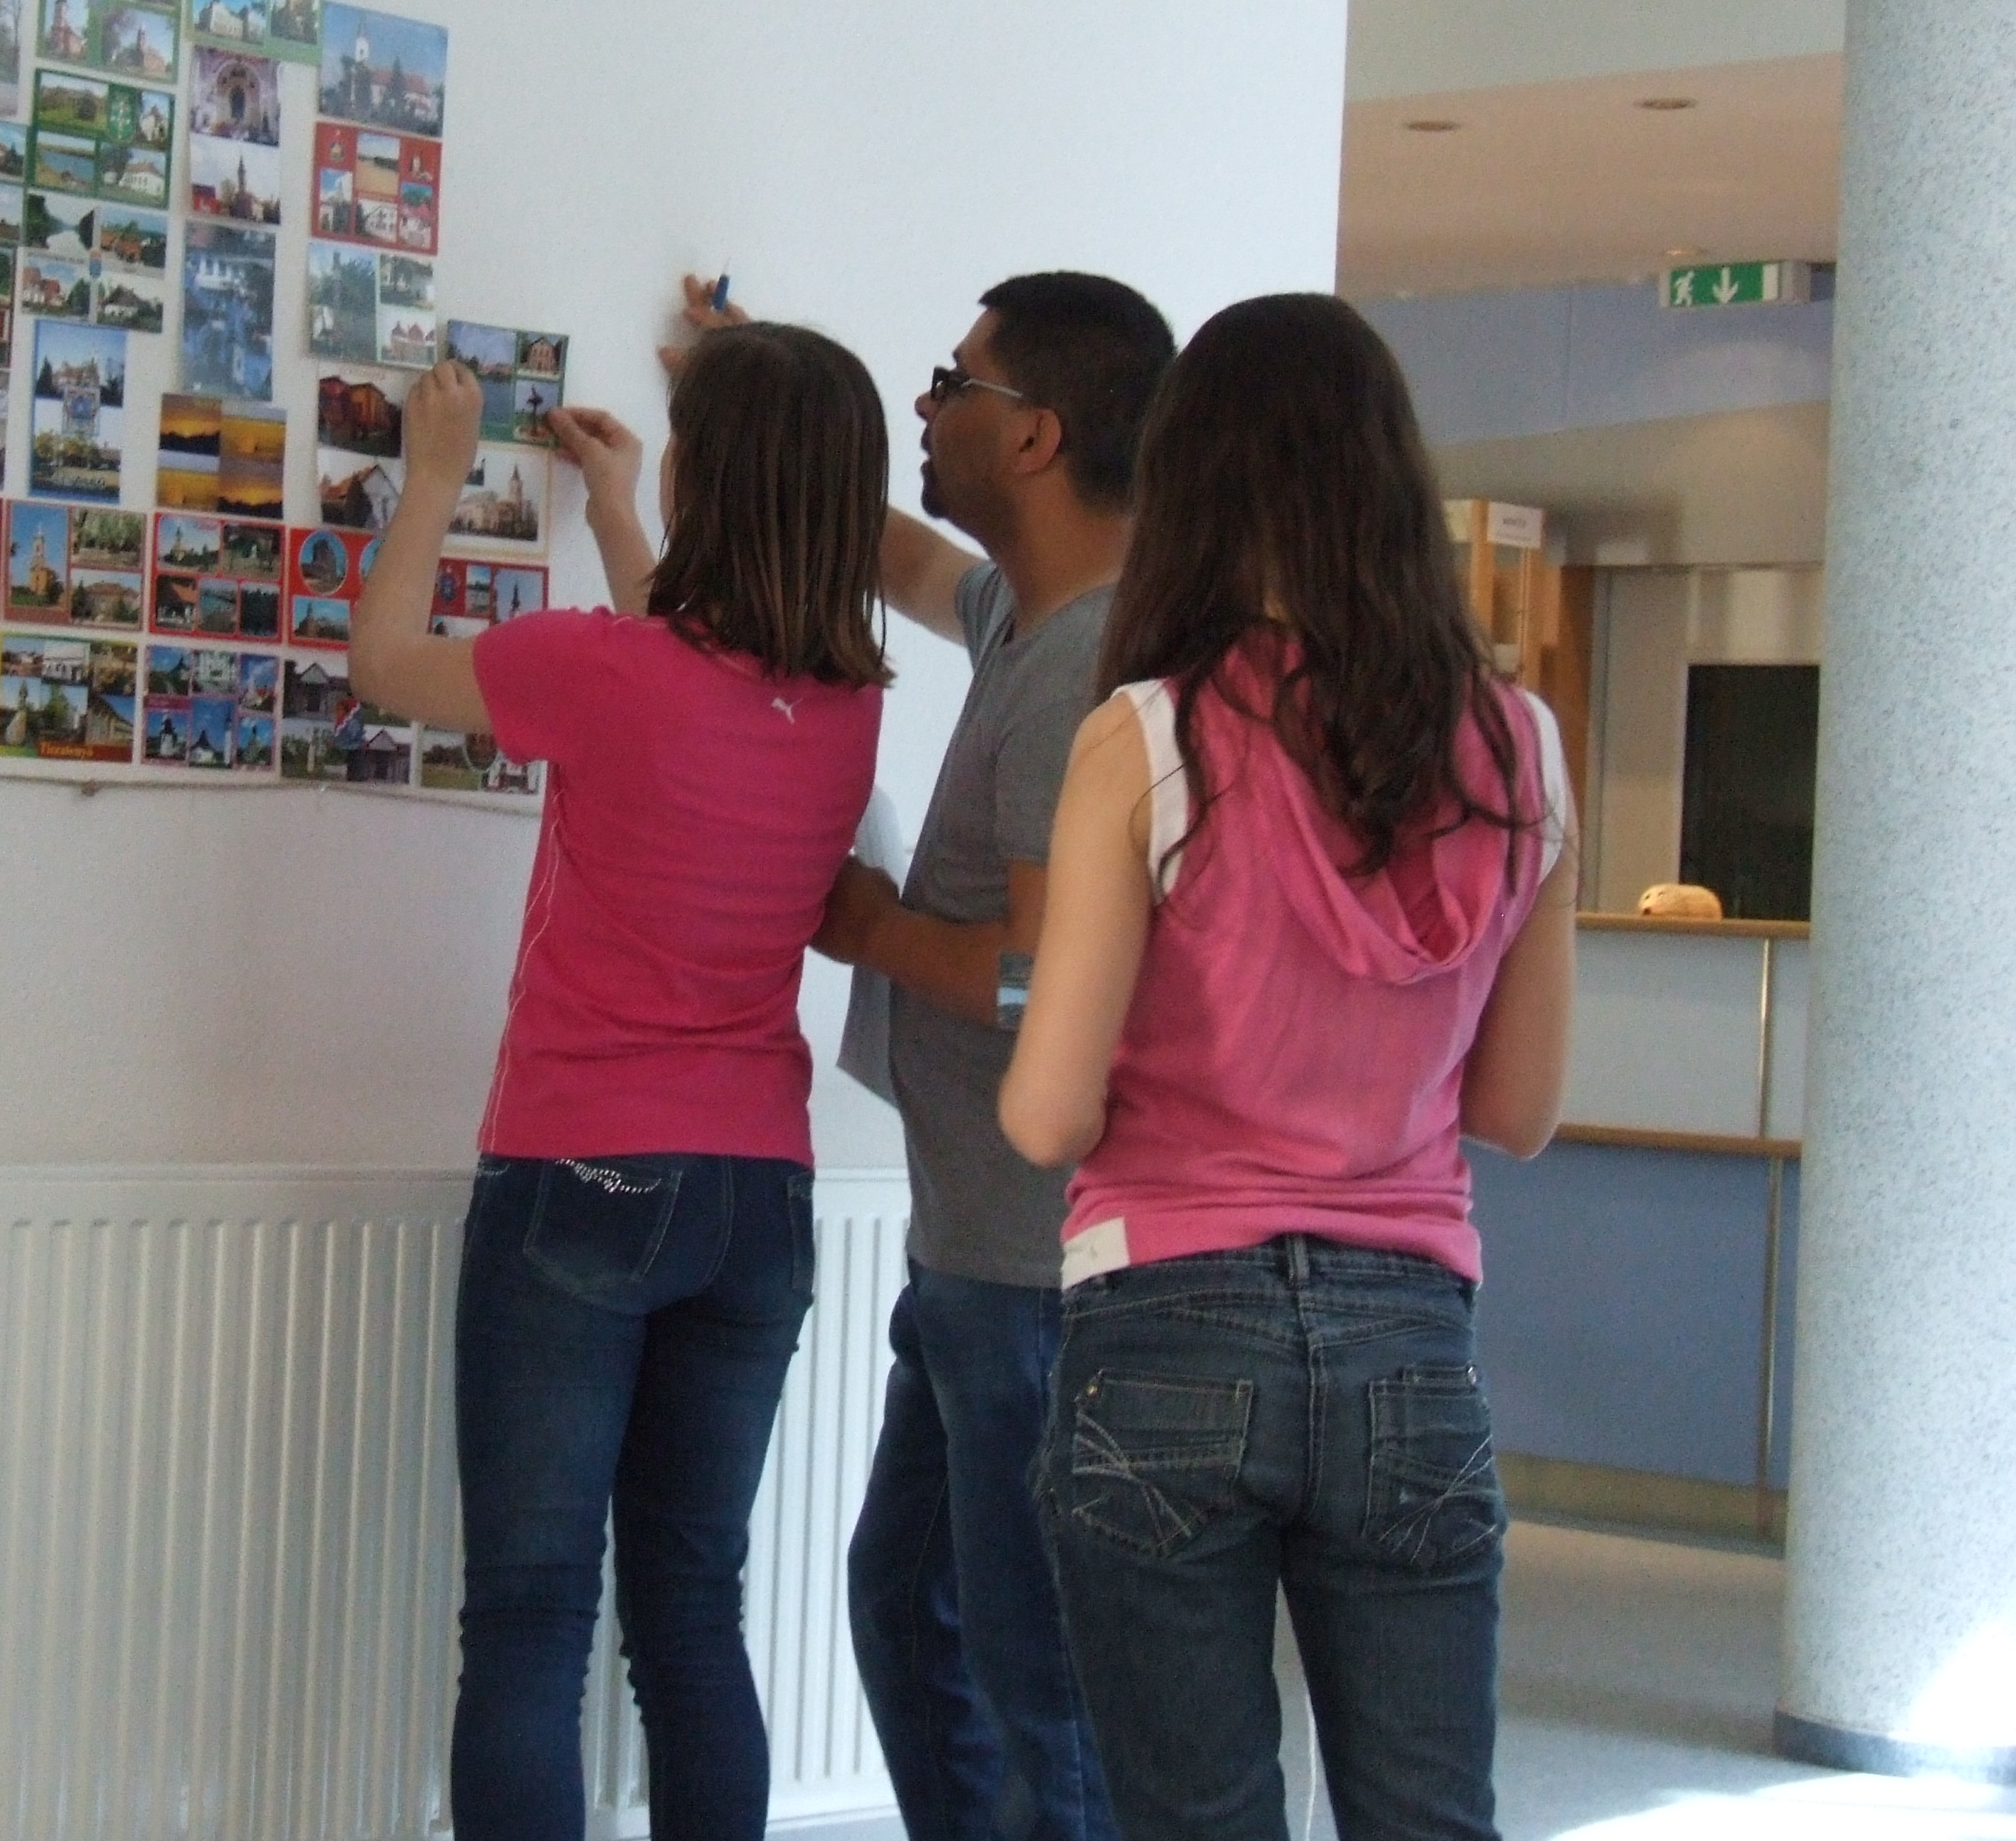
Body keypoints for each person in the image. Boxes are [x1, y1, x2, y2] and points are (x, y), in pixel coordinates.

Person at [999, 292, 1576, 1841]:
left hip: (1165, 1323)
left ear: (1190, 480)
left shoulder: (1150, 735)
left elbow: (1047, 1113)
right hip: (1410, 1343)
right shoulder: (1520, 747)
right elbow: (1518, 1110)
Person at [352, 330, 895, 1841]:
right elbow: (698, 671)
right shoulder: (844, 711)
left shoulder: (598, 669)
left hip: (582, 1178)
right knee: (692, 1615)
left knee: (530, 1618)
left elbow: (385, 664)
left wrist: (435, 479)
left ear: (711, 478)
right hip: (757, 1202)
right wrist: (610, 508)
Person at [680, 269, 1167, 1841]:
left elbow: (1040, 981)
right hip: (980, 1263)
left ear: (1036, 435)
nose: (926, 407)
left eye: (953, 384)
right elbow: (897, 554)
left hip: (1037, 1283)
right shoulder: (1026, 615)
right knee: (909, 1607)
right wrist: (746, 379)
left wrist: (871, 925)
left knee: (1041, 1697)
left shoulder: (1083, 670)